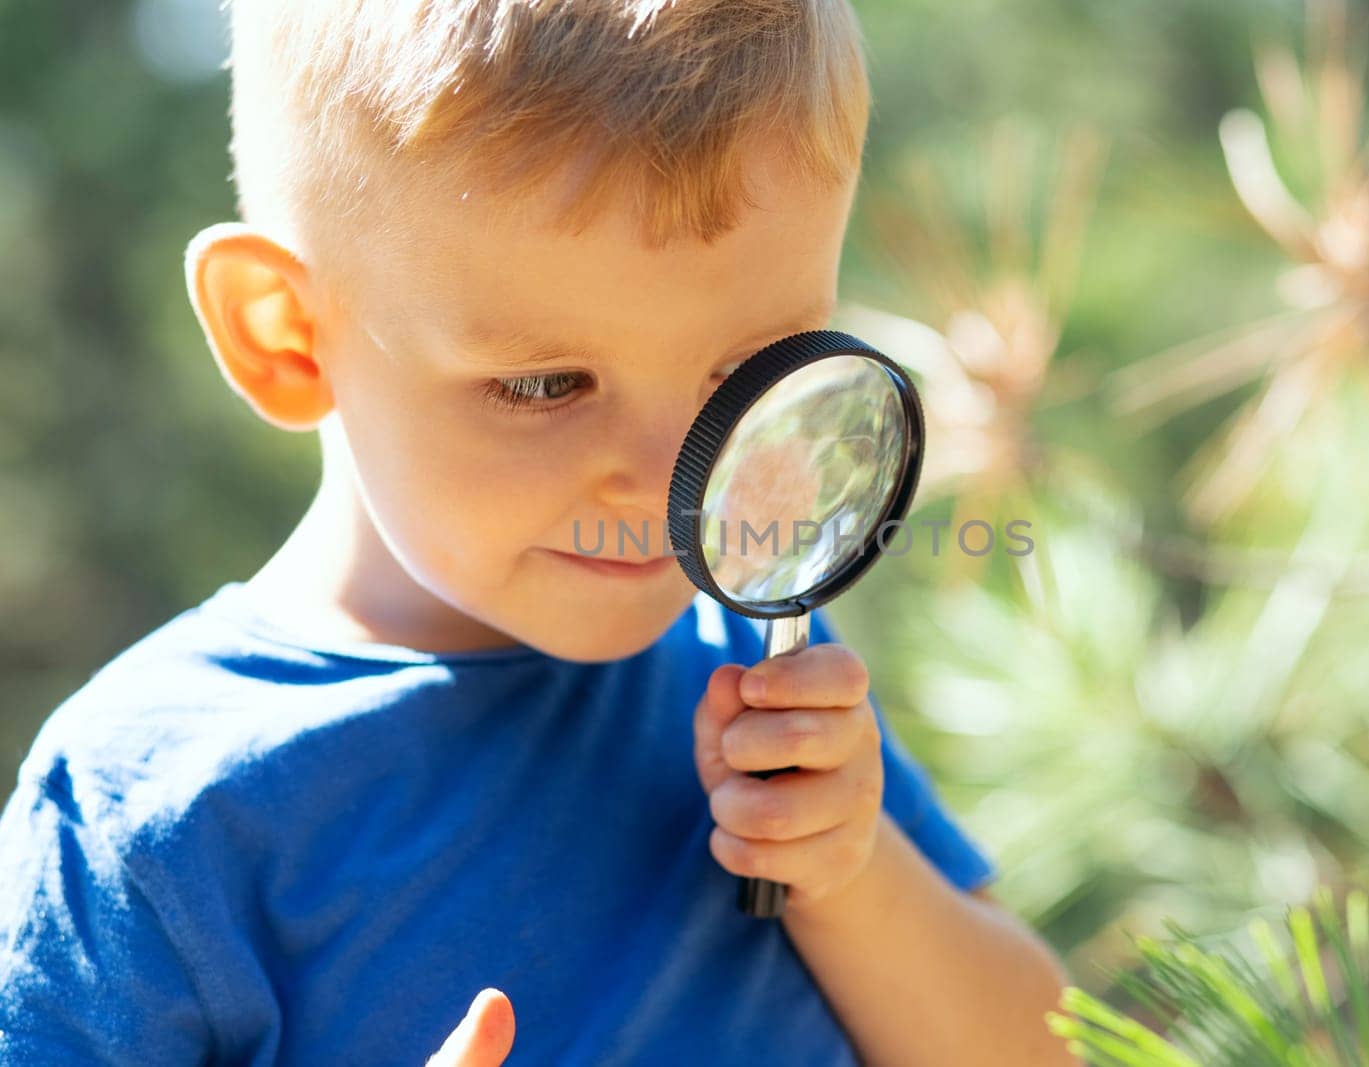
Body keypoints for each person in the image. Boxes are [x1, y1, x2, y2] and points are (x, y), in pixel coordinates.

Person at [0, 1, 1074, 1063]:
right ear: (284, 336)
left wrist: (849, 876)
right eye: (547, 383)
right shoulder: (145, 810)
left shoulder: (752, 661)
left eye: (739, 373)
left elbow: (1043, 1052)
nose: (670, 485)